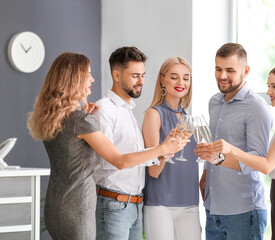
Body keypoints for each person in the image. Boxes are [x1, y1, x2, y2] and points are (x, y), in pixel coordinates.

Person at [27, 52, 187, 240]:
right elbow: (118, 161)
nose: (92, 79)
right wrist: (162, 148)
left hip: (57, 204)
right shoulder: (83, 118)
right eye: (87, 75)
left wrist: (161, 153)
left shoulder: (57, 119)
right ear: (73, 79)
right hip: (80, 206)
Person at [197, 64, 275, 240]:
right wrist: (218, 159)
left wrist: (232, 149)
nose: (269, 92)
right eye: (268, 86)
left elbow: (267, 165)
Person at [93, 47, 174, 240]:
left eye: (143, 75)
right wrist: (160, 149)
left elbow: (132, 157)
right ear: (116, 74)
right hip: (114, 205)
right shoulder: (103, 110)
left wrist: (163, 153)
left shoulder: (127, 111)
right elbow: (113, 161)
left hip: (135, 205)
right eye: (135, 75)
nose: (141, 81)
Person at [196, 43, 273, 240]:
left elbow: (258, 159)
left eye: (230, 70)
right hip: (213, 207)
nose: (222, 76)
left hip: (243, 210)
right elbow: (215, 146)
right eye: (218, 69)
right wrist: (206, 174)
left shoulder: (256, 107)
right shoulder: (214, 102)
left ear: (245, 71)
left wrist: (218, 159)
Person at [142, 57, 201, 240]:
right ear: (162, 79)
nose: (181, 83)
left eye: (186, 78)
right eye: (174, 77)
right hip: (160, 204)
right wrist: (167, 147)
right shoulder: (154, 114)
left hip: (190, 203)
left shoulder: (189, 119)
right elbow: (153, 170)